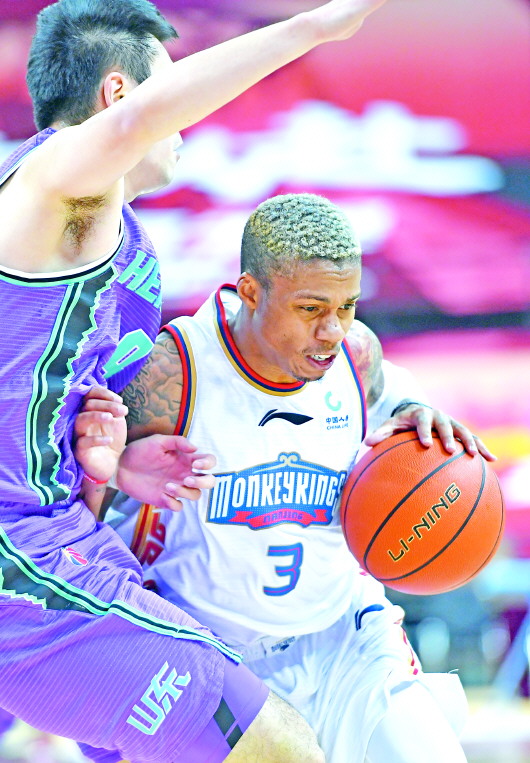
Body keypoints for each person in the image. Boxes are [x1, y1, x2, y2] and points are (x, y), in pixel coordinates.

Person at [0, 1, 391, 761]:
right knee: (280, 745)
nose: (184, 123)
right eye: (169, 86)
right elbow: (131, 127)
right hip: (20, 560)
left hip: (66, 536)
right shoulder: (54, 185)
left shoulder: (103, 235)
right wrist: (315, 27)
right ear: (121, 94)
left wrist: (114, 465)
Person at [107, 193, 496, 763]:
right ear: (250, 292)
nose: (333, 330)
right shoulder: (174, 371)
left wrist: (418, 411)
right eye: (311, 309)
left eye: (348, 306)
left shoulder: (355, 357)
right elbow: (70, 505)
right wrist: (117, 470)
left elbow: (395, 395)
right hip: (213, 655)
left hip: (344, 637)